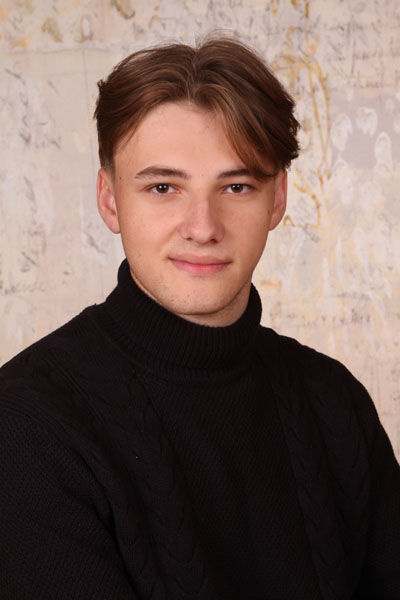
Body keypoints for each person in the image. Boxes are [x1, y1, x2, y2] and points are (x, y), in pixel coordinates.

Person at [0, 37, 399, 600]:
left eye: (236, 186)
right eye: (163, 188)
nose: (203, 227)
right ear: (110, 201)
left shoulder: (335, 401)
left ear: (277, 200)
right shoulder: (25, 426)